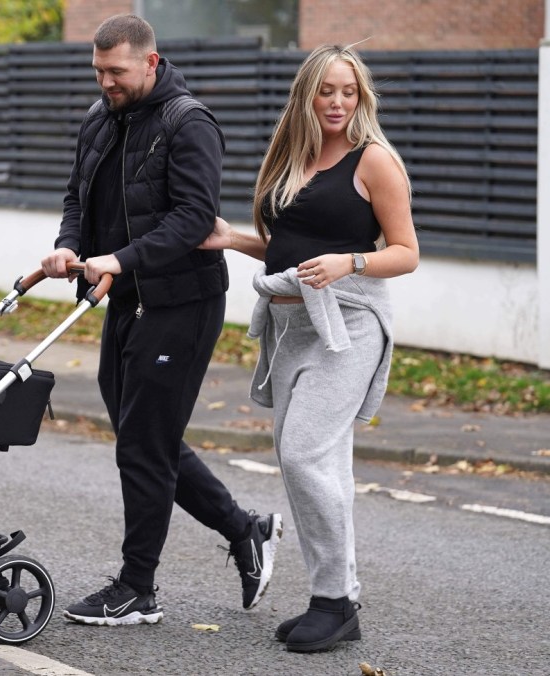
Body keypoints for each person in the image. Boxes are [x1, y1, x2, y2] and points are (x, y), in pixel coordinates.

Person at [41, 14, 283, 627]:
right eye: (98, 71)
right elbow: (78, 198)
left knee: (143, 443)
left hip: (181, 303)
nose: (105, 83)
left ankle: (137, 589)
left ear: (151, 62)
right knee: (143, 435)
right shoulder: (100, 119)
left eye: (116, 72)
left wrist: (120, 258)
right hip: (124, 298)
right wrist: (70, 248)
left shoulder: (189, 123)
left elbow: (194, 219)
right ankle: (244, 528)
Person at [200, 44, 419, 652]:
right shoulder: (291, 155)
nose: (338, 102)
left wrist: (351, 260)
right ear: (306, 94)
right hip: (291, 326)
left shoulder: (374, 161)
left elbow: (406, 251)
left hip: (349, 323)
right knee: (320, 463)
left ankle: (335, 602)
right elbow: (287, 245)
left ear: (361, 96)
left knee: (303, 453)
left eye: (349, 91)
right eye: (327, 91)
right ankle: (336, 592)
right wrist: (232, 240)